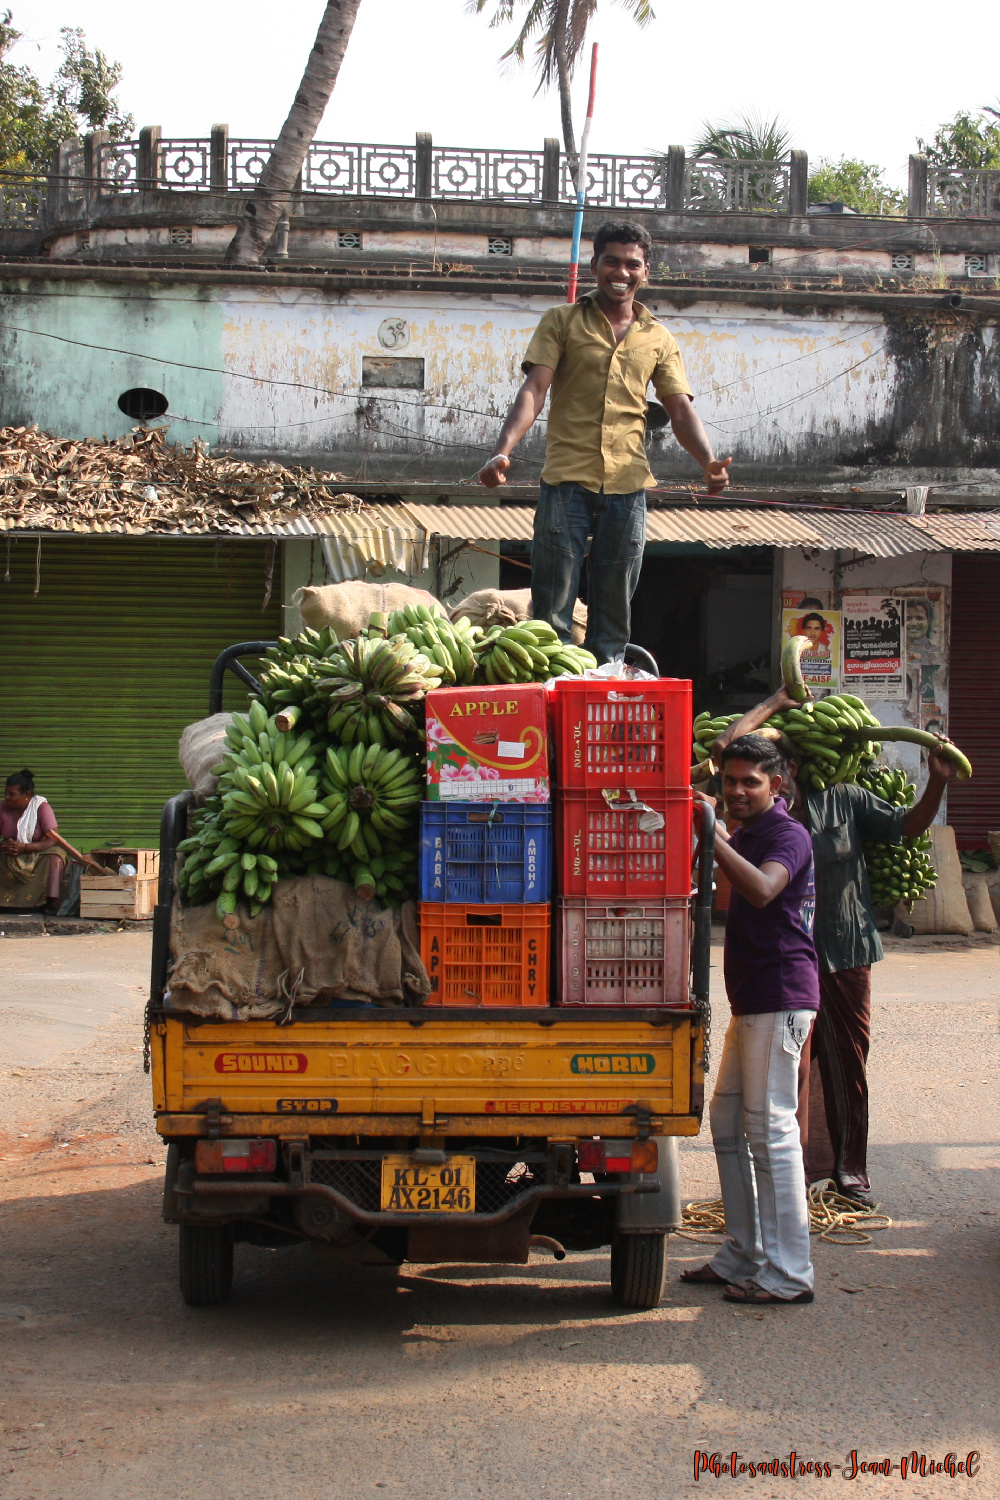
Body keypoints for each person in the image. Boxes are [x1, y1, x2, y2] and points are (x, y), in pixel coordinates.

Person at [712, 688, 954, 1205]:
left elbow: (906, 826)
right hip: (782, 958)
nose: (741, 786)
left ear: (792, 770)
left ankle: (849, 1170)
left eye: (780, 767)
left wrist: (936, 780)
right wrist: (777, 701)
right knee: (792, 1070)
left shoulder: (846, 798)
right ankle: (792, 1176)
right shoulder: (761, 810)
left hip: (844, 947)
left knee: (847, 1060)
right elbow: (727, 747)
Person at [479, 220, 732, 664]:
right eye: (612, 261)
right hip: (566, 482)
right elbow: (534, 389)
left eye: (632, 264)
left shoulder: (658, 337)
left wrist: (708, 462)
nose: (622, 272)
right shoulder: (561, 321)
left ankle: (603, 683)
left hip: (628, 487)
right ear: (595, 264)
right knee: (552, 606)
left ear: (645, 272)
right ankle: (554, 680)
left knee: (614, 611)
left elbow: (679, 409)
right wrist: (503, 451)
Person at [681, 734, 819, 1305]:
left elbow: (763, 889)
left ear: (776, 785)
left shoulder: (787, 835)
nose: (737, 791)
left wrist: (712, 838)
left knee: (771, 1131)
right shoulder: (746, 832)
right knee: (727, 1122)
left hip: (780, 996)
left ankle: (789, 1274)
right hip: (752, 1001)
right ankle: (743, 1252)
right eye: (730, 781)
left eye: (750, 783)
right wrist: (715, 832)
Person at [0, 769, 66, 914]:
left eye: (12, 794)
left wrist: (25, 848)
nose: (7, 797)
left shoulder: (41, 807)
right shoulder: (2, 807)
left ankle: (50, 902)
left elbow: (55, 839)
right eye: (6, 793)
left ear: (27, 795)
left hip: (37, 852)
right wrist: (4, 846)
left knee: (56, 856)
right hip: (10, 853)